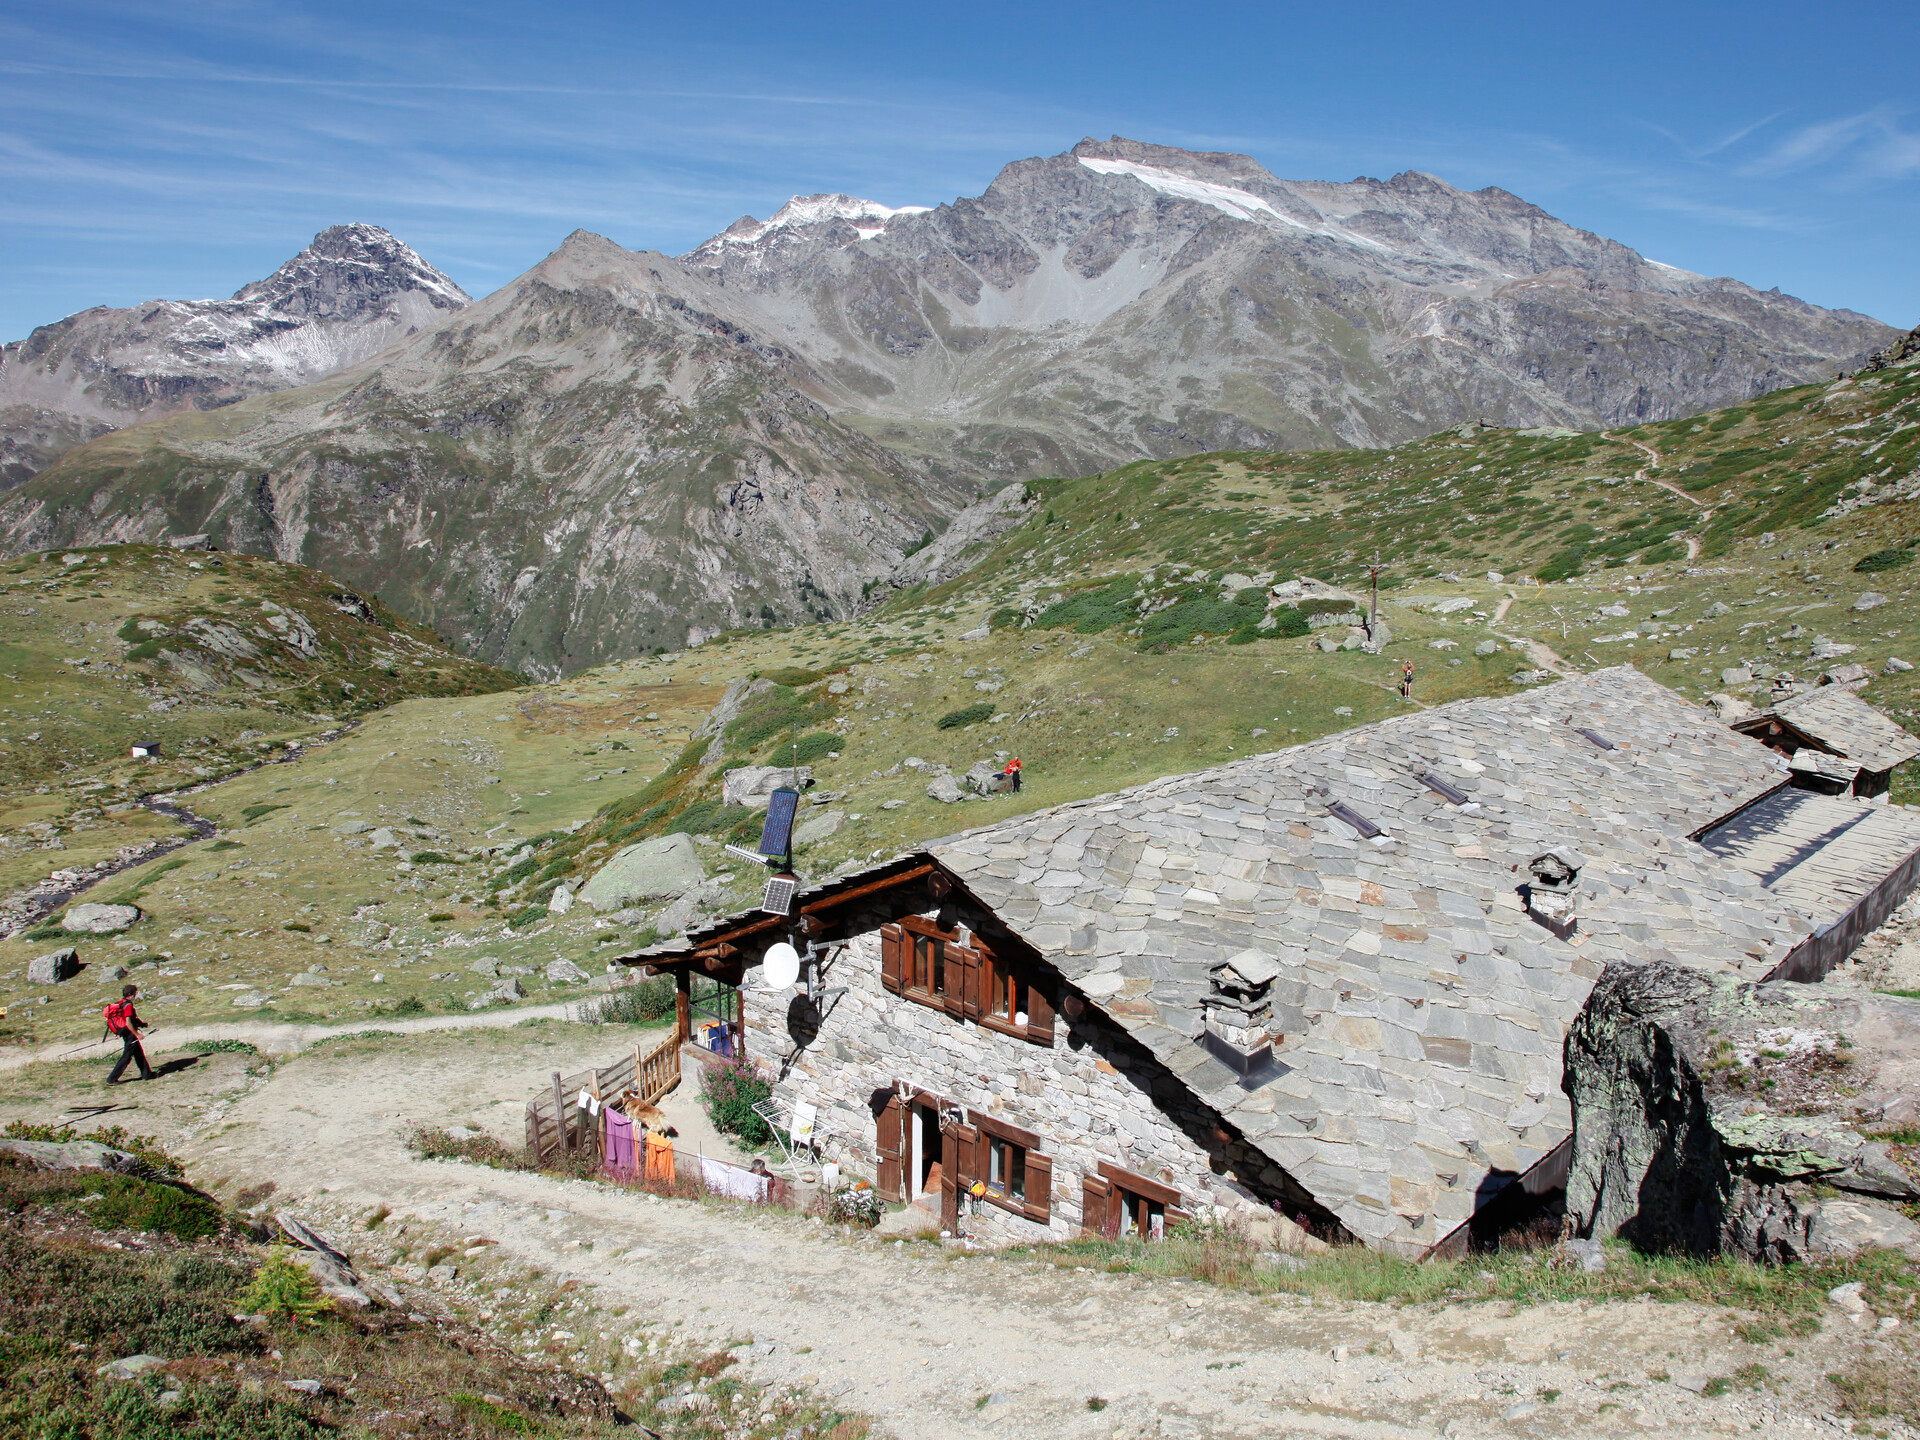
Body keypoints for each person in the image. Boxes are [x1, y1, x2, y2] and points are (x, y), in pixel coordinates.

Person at [104, 983, 154, 1084]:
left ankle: (147, 1074)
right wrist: (137, 1034)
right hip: (129, 1033)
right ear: (131, 994)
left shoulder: (121, 1003)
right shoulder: (128, 1005)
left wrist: (141, 1024)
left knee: (138, 1053)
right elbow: (128, 1022)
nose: (135, 996)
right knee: (127, 1056)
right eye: (135, 993)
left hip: (126, 1032)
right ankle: (112, 1079)